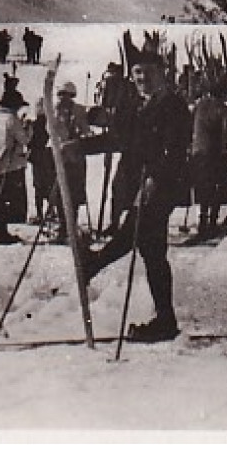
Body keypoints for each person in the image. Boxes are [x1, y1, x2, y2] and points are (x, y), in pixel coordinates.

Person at [79, 55, 192, 343]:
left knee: (138, 235)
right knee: (152, 252)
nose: (142, 78)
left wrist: (154, 178)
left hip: (161, 186)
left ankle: (94, 263)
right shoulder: (134, 106)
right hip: (138, 186)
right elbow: (117, 140)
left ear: (161, 73)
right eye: (138, 72)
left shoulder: (173, 106)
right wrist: (77, 148)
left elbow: (176, 150)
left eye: (148, 72)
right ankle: (165, 321)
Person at [39, 75, 92, 244]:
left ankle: (71, 225)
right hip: (56, 157)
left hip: (75, 158)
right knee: (58, 191)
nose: (64, 98)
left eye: (68, 95)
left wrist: (82, 135)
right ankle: (62, 226)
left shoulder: (80, 111)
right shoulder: (52, 110)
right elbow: (50, 131)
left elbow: (86, 130)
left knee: (74, 193)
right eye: (61, 94)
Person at [188, 76, 227, 243]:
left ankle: (202, 221)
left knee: (202, 187)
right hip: (213, 155)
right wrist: (225, 153)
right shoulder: (225, 111)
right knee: (218, 186)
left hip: (197, 153)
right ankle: (212, 222)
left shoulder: (199, 106)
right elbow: (225, 135)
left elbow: (190, 128)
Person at [0, 99, 35, 245]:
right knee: (9, 200)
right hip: (9, 165)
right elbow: (25, 140)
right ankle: (4, 235)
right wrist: (28, 127)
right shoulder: (12, 119)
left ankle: (2, 232)